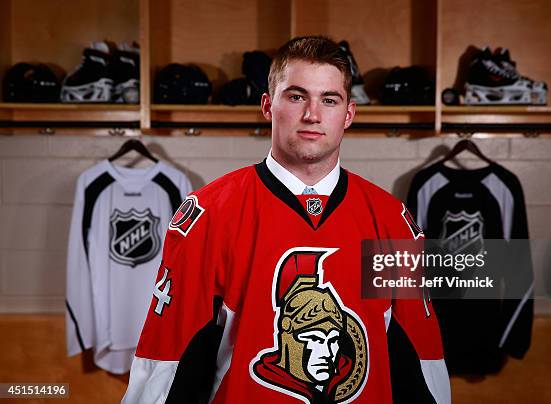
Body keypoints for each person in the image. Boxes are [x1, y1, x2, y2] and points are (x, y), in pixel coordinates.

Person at [122, 36, 450, 404]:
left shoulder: (390, 221)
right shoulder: (210, 215)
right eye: (296, 97)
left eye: (329, 100)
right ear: (268, 105)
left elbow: (419, 364)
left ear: (349, 114)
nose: (312, 114)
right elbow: (167, 363)